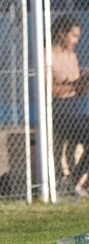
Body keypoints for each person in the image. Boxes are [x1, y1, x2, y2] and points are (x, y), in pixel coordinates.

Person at [49, 14, 89, 197]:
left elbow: (77, 89)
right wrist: (73, 85)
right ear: (62, 33)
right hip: (59, 113)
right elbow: (49, 89)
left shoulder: (72, 56)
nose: (76, 40)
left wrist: (84, 82)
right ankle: (75, 181)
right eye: (73, 36)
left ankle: (76, 181)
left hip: (74, 110)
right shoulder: (48, 55)